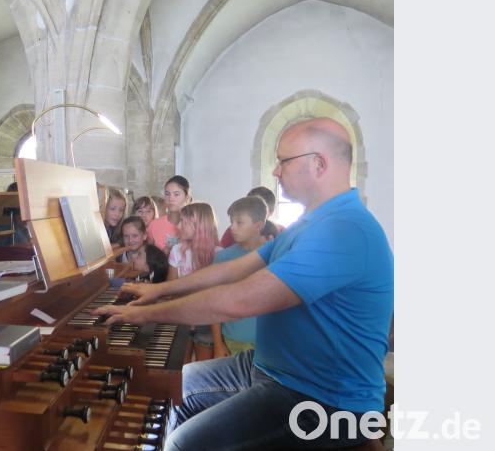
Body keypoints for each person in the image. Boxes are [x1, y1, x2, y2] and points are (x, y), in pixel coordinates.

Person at [93, 117, 393, 449]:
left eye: (283, 161)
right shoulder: (310, 222)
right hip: (272, 368)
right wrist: (158, 290)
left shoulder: (345, 230)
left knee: (181, 444)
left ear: (318, 164)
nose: (276, 171)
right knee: (172, 384)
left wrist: (145, 314)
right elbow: (230, 270)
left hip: (322, 398)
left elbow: (238, 300)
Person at [210, 196, 269, 358]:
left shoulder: (275, 255)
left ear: (258, 225)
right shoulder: (223, 258)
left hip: (270, 342)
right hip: (234, 340)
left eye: (239, 222)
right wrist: (218, 343)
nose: (232, 227)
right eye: (231, 222)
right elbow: (214, 304)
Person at [167, 202, 222, 361]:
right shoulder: (177, 250)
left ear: (199, 225)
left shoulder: (219, 254)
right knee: (179, 366)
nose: (179, 225)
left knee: (202, 369)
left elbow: (218, 298)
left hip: (207, 322)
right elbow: (171, 288)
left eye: (184, 221)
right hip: (181, 318)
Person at [220, 186, 284, 247]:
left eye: (259, 210)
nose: (253, 214)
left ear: (271, 212)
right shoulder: (233, 231)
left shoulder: (282, 233)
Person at [147, 175, 192, 253]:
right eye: (167, 194)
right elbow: (149, 256)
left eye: (176, 194)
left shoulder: (195, 225)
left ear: (187, 197)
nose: (171, 198)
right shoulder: (154, 225)